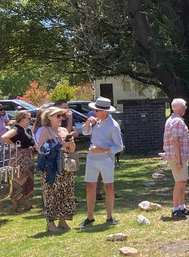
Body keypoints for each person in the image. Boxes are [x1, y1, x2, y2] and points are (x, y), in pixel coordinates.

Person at [80, 97, 124, 227]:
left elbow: (119, 146)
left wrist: (103, 150)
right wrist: (88, 123)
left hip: (106, 159)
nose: (94, 112)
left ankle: (109, 216)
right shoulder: (95, 121)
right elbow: (84, 131)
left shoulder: (113, 125)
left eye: (96, 110)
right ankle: (89, 217)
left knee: (108, 187)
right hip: (92, 158)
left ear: (105, 112)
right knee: (90, 186)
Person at [34, 106, 77, 233]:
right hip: (52, 167)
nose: (61, 119)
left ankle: (62, 221)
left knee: (65, 192)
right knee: (51, 194)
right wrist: (60, 144)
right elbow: (40, 149)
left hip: (65, 166)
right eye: (58, 116)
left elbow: (72, 150)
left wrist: (70, 143)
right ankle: (50, 223)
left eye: (62, 116)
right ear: (49, 117)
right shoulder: (45, 131)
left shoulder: (64, 130)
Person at [163, 98, 189, 219]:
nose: (185, 109)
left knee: (183, 181)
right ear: (181, 108)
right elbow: (175, 141)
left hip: (177, 156)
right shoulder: (177, 121)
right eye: (184, 107)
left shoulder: (173, 120)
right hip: (177, 157)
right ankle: (176, 208)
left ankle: (182, 206)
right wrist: (179, 160)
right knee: (179, 182)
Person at [1, 109, 36, 213]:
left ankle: (26, 204)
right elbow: (4, 137)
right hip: (19, 158)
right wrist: (13, 145)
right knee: (18, 179)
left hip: (27, 158)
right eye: (29, 118)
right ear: (22, 119)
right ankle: (16, 206)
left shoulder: (24, 129)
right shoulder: (17, 128)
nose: (30, 120)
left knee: (27, 179)